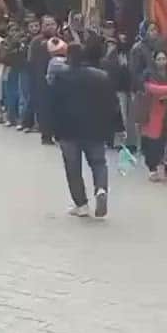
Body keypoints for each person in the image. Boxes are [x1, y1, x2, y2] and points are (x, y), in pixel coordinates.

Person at [50, 43, 122, 218]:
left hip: (68, 129)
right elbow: (113, 103)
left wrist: (52, 129)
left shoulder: (61, 77)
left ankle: (81, 205)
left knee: (73, 167)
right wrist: (117, 127)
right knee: (98, 163)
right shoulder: (101, 77)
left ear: (68, 57)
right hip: (95, 128)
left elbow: (53, 104)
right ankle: (101, 188)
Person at [127, 21, 163, 151]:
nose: (155, 32)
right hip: (142, 88)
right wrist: (141, 86)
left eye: (156, 30)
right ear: (144, 31)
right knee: (141, 117)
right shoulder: (138, 48)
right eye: (151, 30)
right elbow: (134, 71)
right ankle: (140, 145)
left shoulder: (157, 47)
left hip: (155, 87)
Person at [141, 50, 167, 182]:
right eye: (159, 59)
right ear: (154, 60)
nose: (162, 61)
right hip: (152, 111)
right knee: (152, 142)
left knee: (162, 141)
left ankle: (160, 167)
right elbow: (152, 88)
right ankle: (152, 169)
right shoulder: (149, 73)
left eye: (164, 59)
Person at [27, 15, 59, 144]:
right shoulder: (36, 42)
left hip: (59, 80)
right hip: (41, 80)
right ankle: (46, 135)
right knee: (44, 108)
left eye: (52, 24)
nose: (50, 27)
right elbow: (30, 62)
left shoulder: (61, 40)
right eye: (47, 25)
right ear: (42, 27)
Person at [99, 27, 133, 149]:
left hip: (122, 90)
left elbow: (127, 73)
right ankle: (109, 140)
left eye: (113, 44)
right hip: (109, 91)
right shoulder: (105, 58)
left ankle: (122, 142)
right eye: (109, 44)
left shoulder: (124, 56)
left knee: (123, 116)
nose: (111, 46)